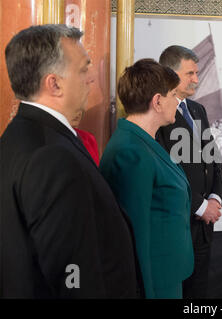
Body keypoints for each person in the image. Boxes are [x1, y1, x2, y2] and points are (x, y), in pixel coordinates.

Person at [0, 24, 143, 298]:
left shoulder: (21, 137)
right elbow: (72, 275)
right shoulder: (51, 156)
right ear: (54, 84)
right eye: (83, 69)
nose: (91, 78)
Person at [99, 58, 193, 299]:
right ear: (158, 101)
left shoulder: (145, 143)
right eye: (174, 94)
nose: (178, 100)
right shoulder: (131, 152)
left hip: (166, 276)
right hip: (153, 285)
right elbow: (133, 237)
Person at [157, 45, 222, 298]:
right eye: (190, 73)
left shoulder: (198, 110)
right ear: (170, 74)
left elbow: (214, 160)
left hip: (204, 229)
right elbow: (165, 172)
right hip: (178, 225)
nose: (197, 79)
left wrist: (216, 198)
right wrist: (199, 206)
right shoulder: (158, 112)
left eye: (197, 73)